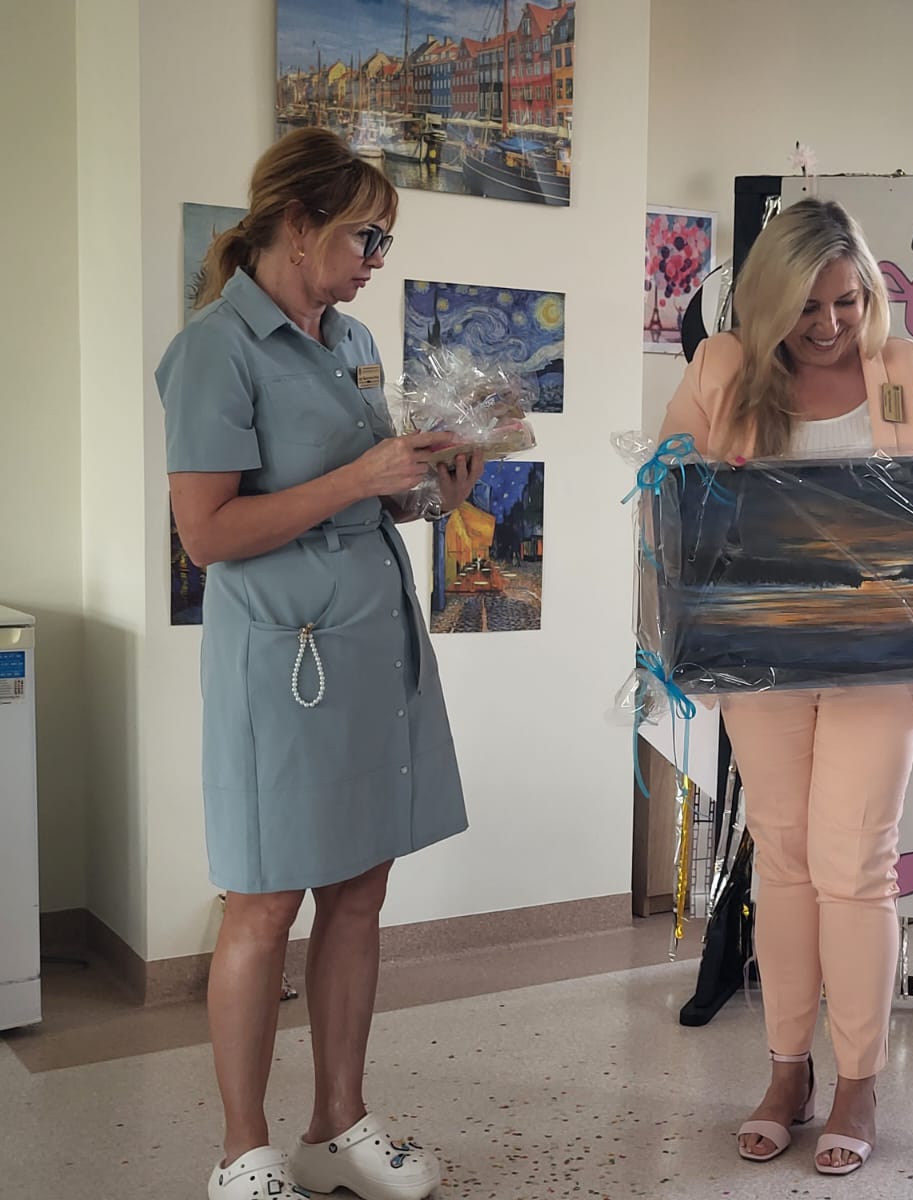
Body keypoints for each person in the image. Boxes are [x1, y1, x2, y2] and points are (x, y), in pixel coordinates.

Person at [159, 128, 481, 1200]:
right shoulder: (215, 349)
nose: (377, 258)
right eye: (365, 236)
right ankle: (242, 1152)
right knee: (263, 903)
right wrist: (359, 481)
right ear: (296, 228)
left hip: (369, 644)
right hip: (281, 663)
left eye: (385, 239)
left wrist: (428, 485)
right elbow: (206, 534)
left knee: (358, 887)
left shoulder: (350, 341)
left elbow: (369, 494)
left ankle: (337, 1124)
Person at [658, 197, 913, 1176]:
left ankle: (858, 1083)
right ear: (766, 302)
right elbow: (669, 509)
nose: (830, 324)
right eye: (806, 307)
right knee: (785, 860)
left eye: (847, 301)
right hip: (762, 660)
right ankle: (785, 1073)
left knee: (855, 865)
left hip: (882, 663)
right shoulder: (722, 371)